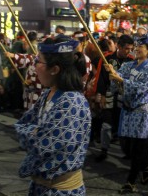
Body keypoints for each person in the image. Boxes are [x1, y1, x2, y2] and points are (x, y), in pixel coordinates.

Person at [14, 36, 91, 196]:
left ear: (54, 69)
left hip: (61, 191)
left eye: (38, 61)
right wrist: (35, 131)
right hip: (41, 186)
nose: (34, 65)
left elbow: (42, 145)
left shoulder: (72, 101)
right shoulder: (48, 94)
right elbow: (21, 125)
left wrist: (34, 132)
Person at [107, 33, 148, 194]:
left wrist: (121, 80)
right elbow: (115, 85)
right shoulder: (128, 65)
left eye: (140, 47)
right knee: (127, 145)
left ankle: (131, 180)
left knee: (136, 147)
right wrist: (113, 77)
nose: (136, 49)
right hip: (126, 110)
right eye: (135, 46)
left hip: (141, 111)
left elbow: (142, 88)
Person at [94, 34, 134, 162]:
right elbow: (101, 78)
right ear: (119, 47)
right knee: (106, 125)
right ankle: (104, 149)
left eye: (130, 49)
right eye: (126, 49)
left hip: (125, 97)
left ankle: (127, 151)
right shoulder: (107, 58)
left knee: (123, 126)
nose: (128, 51)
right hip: (110, 95)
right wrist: (101, 95)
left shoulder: (132, 60)